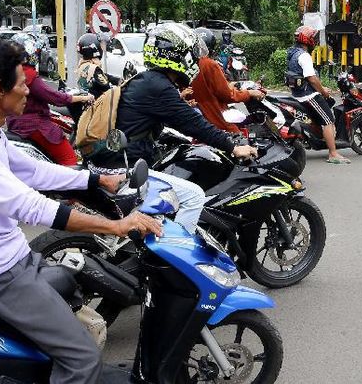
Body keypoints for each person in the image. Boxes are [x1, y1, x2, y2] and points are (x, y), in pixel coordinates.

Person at [0, 37, 162, 384]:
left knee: (76, 287)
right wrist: (115, 226)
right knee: (83, 358)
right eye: (22, 83)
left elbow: (34, 171)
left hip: (11, 258)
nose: (28, 90)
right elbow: (28, 204)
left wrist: (98, 179)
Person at [86, 23, 257, 231]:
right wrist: (233, 146)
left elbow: (169, 119)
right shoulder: (158, 86)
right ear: (178, 56)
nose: (194, 60)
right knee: (194, 196)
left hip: (109, 163)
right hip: (123, 171)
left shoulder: (147, 80)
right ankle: (176, 249)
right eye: (191, 54)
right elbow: (194, 124)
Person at [7, 33, 93, 166]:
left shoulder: (11, 73)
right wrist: (81, 98)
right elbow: (53, 97)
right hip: (33, 124)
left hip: (16, 123)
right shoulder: (28, 74)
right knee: (69, 158)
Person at [285, 25, 350, 164]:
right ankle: (333, 154)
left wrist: (321, 87)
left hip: (298, 94)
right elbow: (312, 79)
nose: (314, 40)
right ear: (307, 40)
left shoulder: (292, 53)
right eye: (312, 38)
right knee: (328, 120)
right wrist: (323, 91)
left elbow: (303, 77)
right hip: (308, 96)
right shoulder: (304, 56)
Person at [190, 27, 264, 134]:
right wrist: (250, 93)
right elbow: (227, 95)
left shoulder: (188, 63)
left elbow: (208, 88)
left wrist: (229, 85)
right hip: (215, 118)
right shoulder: (209, 64)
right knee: (241, 136)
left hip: (197, 117)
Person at [75, 32, 123, 99]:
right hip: (96, 102)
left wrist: (117, 80)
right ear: (95, 48)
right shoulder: (94, 68)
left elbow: (102, 76)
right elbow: (106, 87)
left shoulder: (83, 65)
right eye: (100, 46)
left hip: (87, 100)